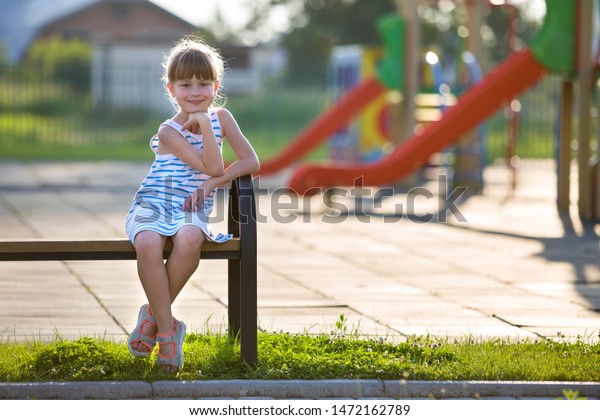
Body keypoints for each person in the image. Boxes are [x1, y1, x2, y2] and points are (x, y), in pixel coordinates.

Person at [125, 36, 260, 373]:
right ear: (172, 89)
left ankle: (153, 318)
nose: (195, 91)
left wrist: (214, 183)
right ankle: (169, 332)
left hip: (189, 208)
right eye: (186, 84)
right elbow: (212, 164)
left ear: (216, 86)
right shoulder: (169, 130)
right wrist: (200, 124)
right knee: (148, 243)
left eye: (203, 84)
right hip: (155, 201)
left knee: (189, 240)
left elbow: (250, 162)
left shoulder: (223, 118)